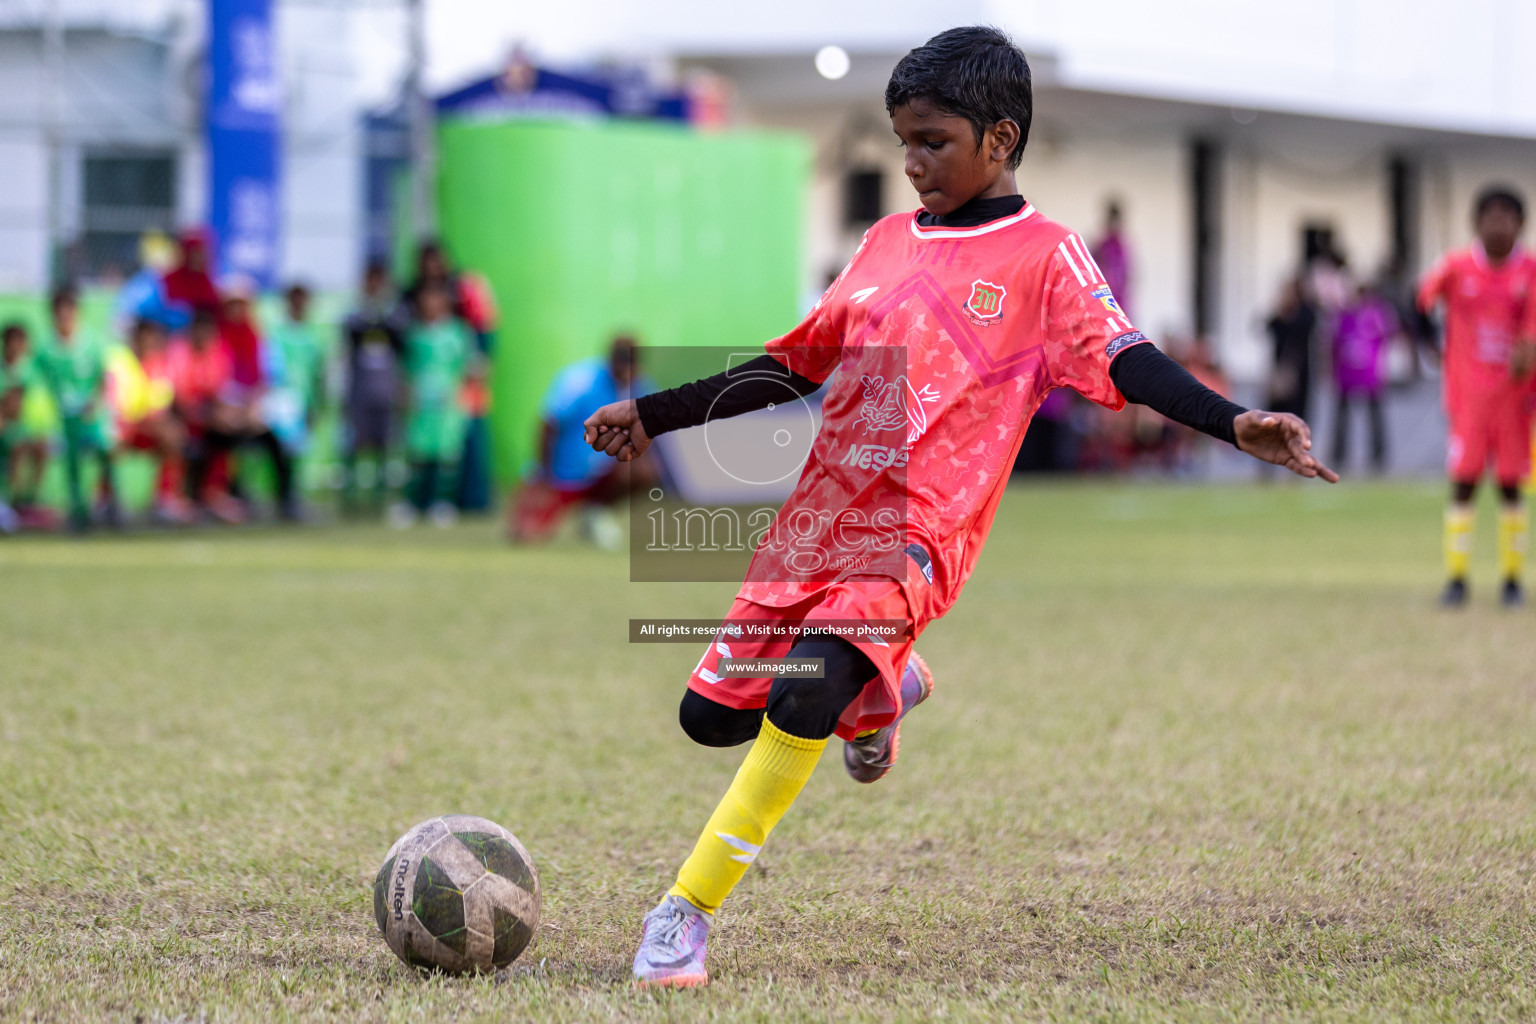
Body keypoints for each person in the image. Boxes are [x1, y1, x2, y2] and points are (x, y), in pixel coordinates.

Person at [582, 26, 1337, 988]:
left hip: (917, 536)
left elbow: (1127, 360)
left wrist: (1235, 423)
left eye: (933, 141)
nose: (912, 163)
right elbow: (790, 363)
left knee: (803, 692)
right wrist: (654, 414)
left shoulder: (1046, 259)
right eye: (903, 141)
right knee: (708, 718)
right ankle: (887, 689)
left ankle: (680, 917)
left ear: (1000, 137)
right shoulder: (884, 243)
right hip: (817, 524)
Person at [1419, 186, 1536, 607]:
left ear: (1520, 223)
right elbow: (1420, 304)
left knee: (1510, 486)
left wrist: (1528, 351)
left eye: (1507, 216)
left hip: (1513, 400)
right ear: (1476, 222)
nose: (1498, 224)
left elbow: (1531, 336)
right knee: (1463, 483)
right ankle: (1456, 578)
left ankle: (1511, 580)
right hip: (1468, 399)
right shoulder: (1455, 268)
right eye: (1490, 215)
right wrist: (1431, 347)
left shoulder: (1531, 271)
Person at [508, 336, 655, 544]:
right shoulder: (580, 381)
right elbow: (548, 425)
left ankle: (594, 512)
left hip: (601, 476)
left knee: (644, 471)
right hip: (562, 477)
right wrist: (543, 478)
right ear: (610, 360)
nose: (627, 372)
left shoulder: (641, 386)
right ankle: (557, 506)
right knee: (523, 535)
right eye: (622, 363)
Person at [35, 287, 119, 532]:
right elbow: (38, 386)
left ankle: (111, 504)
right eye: (59, 313)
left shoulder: (91, 344)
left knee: (106, 448)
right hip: (61, 419)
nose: (64, 317)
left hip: (91, 416)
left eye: (68, 311)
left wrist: (96, 402)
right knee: (71, 464)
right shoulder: (45, 350)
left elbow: (104, 379)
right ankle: (77, 512)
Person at [394, 281, 476, 527]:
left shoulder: (458, 333)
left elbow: (472, 369)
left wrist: (464, 399)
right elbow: (406, 371)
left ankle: (442, 503)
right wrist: (404, 397)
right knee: (417, 455)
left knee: (446, 456)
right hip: (420, 406)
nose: (431, 303)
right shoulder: (415, 334)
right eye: (426, 298)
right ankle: (412, 503)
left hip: (448, 406)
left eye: (436, 297)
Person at [108, 318, 193, 524]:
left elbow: (160, 405)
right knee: (109, 442)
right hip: (122, 427)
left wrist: (150, 419)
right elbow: (115, 406)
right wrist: (139, 418)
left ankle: (164, 499)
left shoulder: (160, 364)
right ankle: (107, 499)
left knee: (174, 435)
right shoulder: (119, 361)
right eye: (143, 336)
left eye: (151, 337)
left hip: (147, 428)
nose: (148, 341)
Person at [340, 259, 406, 516]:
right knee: (355, 443)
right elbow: (352, 336)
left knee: (384, 442)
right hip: (360, 390)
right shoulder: (355, 315)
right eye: (371, 280)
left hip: (385, 390)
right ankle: (351, 496)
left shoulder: (394, 316)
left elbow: (399, 340)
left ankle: (379, 497)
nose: (376, 286)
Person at [262, 283, 326, 494]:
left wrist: (316, 402)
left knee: (297, 451)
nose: (299, 304)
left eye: (302, 300)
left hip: (304, 401)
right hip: (281, 401)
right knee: (280, 450)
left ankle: (291, 497)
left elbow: (319, 373)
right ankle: (282, 497)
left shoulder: (314, 336)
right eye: (294, 299)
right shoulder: (276, 334)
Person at [1330, 283, 1397, 473]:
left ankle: (1378, 454)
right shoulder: (1344, 316)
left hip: (1370, 374)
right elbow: (1332, 344)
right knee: (1343, 415)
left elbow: (1388, 337)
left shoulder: (1376, 315)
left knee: (1374, 415)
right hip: (1347, 374)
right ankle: (1339, 453)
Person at [0, 322, 52, 532]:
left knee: (39, 447)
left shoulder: (32, 372)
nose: (16, 346)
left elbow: (27, 408)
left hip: (22, 429)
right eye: (12, 341)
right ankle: (9, 504)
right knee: (16, 448)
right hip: (9, 431)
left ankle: (25, 501)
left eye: (20, 342)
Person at [1265, 276, 1316, 422]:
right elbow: (1269, 327)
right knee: (1276, 408)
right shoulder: (1280, 312)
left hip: (1298, 367)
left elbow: (1305, 329)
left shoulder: (1305, 312)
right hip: (1280, 366)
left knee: (1296, 410)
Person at [1091, 199, 1132, 316]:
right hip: (1106, 296)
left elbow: (1126, 273)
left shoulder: (1121, 245)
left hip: (1118, 297)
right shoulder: (1102, 244)